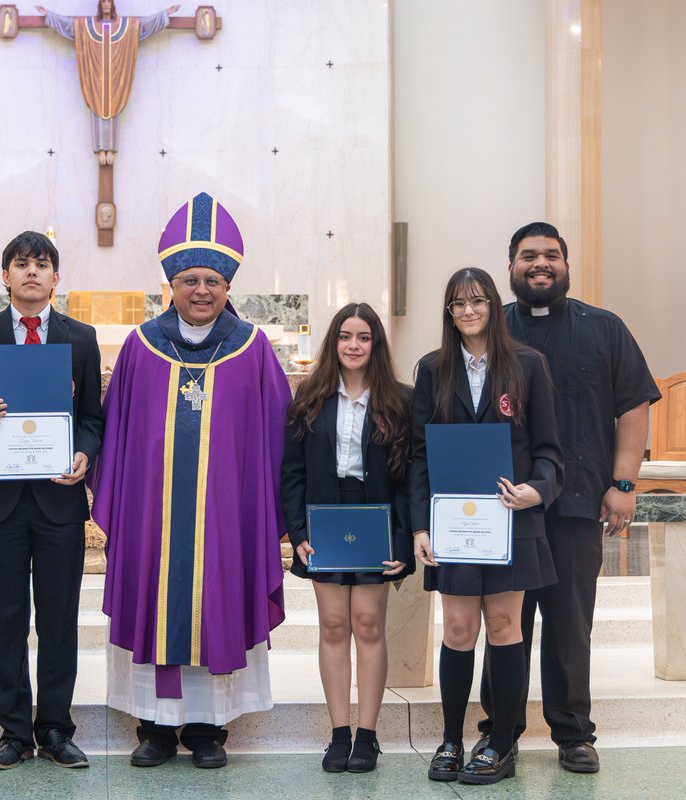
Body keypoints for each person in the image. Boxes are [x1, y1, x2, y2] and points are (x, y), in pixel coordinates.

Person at [89, 192, 292, 769]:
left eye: (212, 281)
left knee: (218, 600)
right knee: (156, 602)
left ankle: (208, 730)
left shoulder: (252, 349)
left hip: (226, 518)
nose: (201, 290)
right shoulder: (140, 347)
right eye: (189, 280)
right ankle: (154, 727)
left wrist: (267, 511)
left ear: (229, 287)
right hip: (153, 517)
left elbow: (279, 436)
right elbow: (118, 429)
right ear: (171, 285)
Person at [474, 222, 659, 774]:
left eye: (551, 255)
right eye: (529, 256)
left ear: (567, 266)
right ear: (509, 267)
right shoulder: (488, 329)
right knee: (504, 623)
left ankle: (573, 733)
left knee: (569, 624)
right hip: (505, 506)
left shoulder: (604, 329)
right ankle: (499, 731)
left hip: (577, 503)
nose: (540, 264)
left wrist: (623, 484)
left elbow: (634, 407)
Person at [0, 231, 103, 770]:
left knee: (59, 620)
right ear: (5, 276)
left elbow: (91, 419)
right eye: (21, 264)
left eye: (42, 264)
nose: (31, 272)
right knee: (6, 619)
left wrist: (85, 454)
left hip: (59, 501)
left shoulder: (79, 339)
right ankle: (14, 731)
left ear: (56, 277)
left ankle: (57, 729)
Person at [409, 267, 563, 785]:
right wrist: (419, 527)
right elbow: (417, 457)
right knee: (457, 631)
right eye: (458, 303)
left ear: (494, 306)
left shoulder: (528, 365)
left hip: (509, 522)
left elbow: (549, 450)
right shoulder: (433, 369)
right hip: (452, 526)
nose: (468, 311)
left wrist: (536, 490)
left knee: (503, 628)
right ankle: (451, 740)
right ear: (449, 313)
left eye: (477, 301)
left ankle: (500, 743)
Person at [280, 302, 413, 774]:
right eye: (345, 337)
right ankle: (339, 734)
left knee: (368, 624)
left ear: (375, 345)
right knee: (334, 624)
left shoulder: (400, 399)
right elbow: (291, 474)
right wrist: (297, 533)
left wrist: (401, 540)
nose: (353, 346)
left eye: (363, 337)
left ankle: (369, 736)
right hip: (325, 519)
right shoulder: (309, 400)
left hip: (378, 516)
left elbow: (410, 479)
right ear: (333, 342)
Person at [34, 1, 180, 165]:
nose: (106, 5)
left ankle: (111, 149)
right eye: (103, 2)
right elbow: (69, 26)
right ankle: (99, 149)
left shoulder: (125, 27)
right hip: (95, 75)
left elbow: (143, 25)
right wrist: (49, 15)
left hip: (117, 75)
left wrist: (164, 14)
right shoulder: (87, 27)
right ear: (99, 5)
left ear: (112, 6)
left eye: (109, 2)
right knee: (96, 106)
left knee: (114, 105)